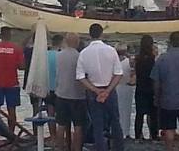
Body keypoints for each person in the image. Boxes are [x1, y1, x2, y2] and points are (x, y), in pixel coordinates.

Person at [76, 23, 124, 151]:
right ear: (101, 34)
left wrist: (96, 90)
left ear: (90, 35)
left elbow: (80, 77)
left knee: (97, 124)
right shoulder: (111, 50)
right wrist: (107, 90)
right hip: (110, 88)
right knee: (115, 121)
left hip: (93, 90)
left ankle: (100, 148)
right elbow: (118, 73)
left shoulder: (84, 53)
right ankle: (118, 148)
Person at [0, 26, 25, 132]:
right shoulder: (16, 48)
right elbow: (22, 66)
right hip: (12, 83)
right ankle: (11, 134)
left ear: (1, 35)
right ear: (10, 35)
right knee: (12, 110)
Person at [55, 33, 87, 151]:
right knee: (78, 126)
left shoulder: (58, 55)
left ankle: (60, 147)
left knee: (61, 125)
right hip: (77, 95)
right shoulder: (80, 57)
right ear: (77, 42)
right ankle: (77, 148)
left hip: (61, 93)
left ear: (66, 41)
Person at [134, 35, 158, 141]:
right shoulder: (153, 59)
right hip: (151, 88)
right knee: (153, 114)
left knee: (139, 114)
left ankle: (138, 135)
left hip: (140, 88)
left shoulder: (138, 59)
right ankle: (153, 135)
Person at [46, 34, 63, 139]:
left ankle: (52, 136)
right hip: (59, 89)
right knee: (61, 115)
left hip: (48, 88)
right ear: (61, 43)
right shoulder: (61, 56)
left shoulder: (45, 55)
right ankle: (62, 137)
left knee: (50, 114)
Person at [116, 44, 135, 139]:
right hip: (127, 88)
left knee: (118, 110)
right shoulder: (129, 61)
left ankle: (117, 130)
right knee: (126, 110)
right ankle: (126, 132)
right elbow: (133, 74)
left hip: (117, 87)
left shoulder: (114, 62)